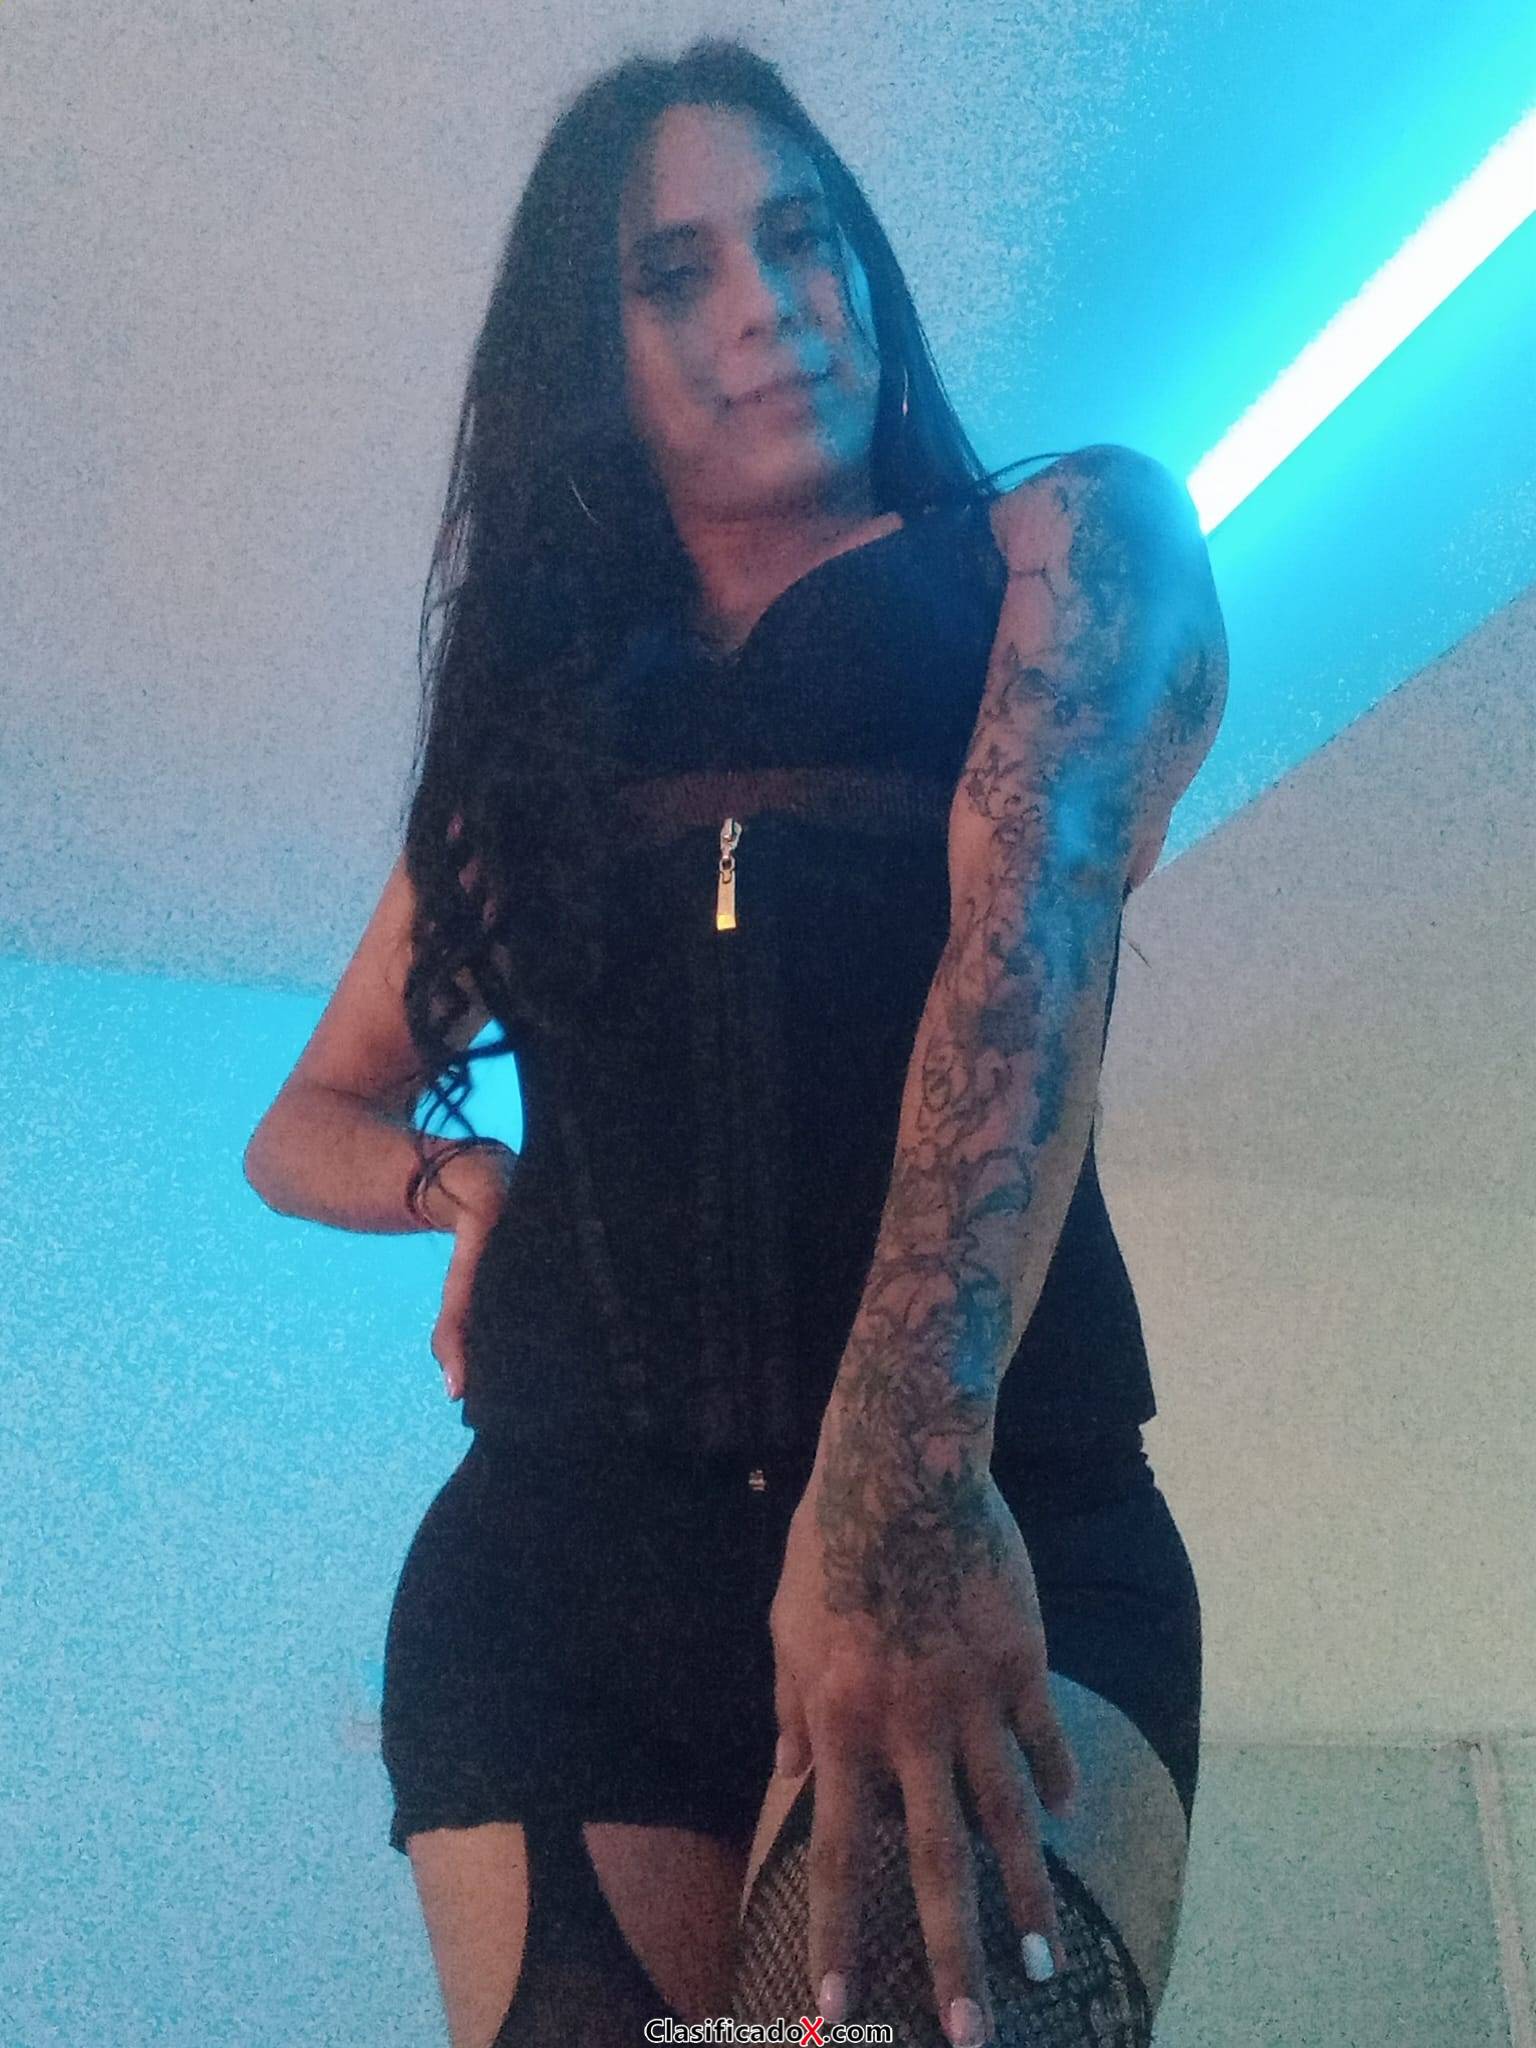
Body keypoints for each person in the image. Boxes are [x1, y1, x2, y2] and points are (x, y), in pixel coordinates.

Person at [243, 36, 1227, 2048]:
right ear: (584, 353)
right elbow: (304, 1120)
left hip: (988, 1493)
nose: (771, 302)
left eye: (801, 236)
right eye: (673, 273)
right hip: (559, 1571)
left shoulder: (1061, 545)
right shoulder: (536, 734)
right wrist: (458, 1176)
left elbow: (1029, 939)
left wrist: (902, 1483)